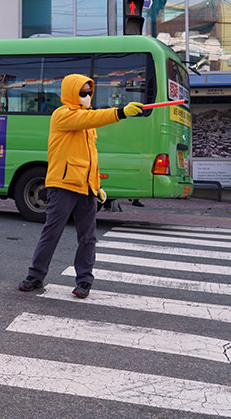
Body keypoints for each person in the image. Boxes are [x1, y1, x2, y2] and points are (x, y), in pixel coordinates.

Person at [18, 74, 143, 299]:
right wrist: (121, 112)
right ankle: (35, 276)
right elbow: (89, 119)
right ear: (70, 93)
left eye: (89, 92)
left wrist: (97, 185)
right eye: (82, 93)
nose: (86, 96)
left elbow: (90, 157)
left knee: (88, 237)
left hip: (86, 188)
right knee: (51, 232)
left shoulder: (87, 121)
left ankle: (84, 281)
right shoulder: (62, 115)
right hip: (63, 184)